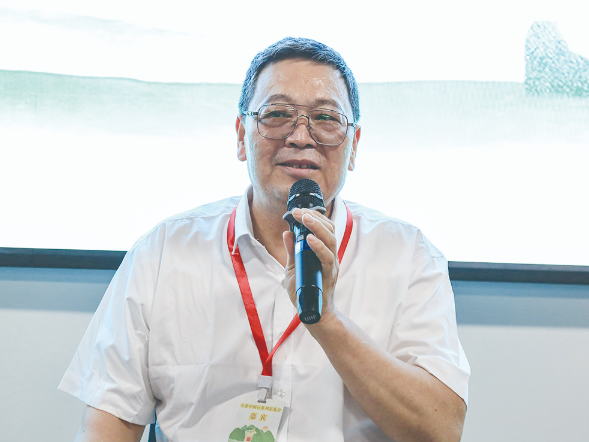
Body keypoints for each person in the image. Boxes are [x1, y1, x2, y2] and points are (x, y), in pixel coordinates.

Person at [59, 37, 470, 442]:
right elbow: (107, 425)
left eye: (326, 118)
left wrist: (328, 321)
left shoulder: (409, 256)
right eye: (277, 114)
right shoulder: (163, 252)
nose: (301, 136)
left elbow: (440, 430)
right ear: (242, 136)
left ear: (354, 145)